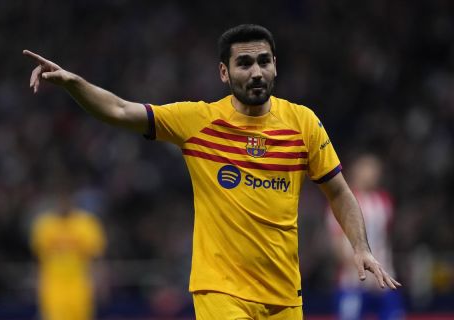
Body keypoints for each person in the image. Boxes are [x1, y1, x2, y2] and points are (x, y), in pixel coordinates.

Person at [24, 24, 400, 320]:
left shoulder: (303, 124)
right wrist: (75, 85)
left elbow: (338, 192)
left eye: (264, 61)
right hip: (220, 289)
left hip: (285, 293)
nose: (256, 71)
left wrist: (360, 247)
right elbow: (122, 111)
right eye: (244, 63)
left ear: (275, 66)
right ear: (224, 71)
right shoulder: (198, 121)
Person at [326, 154, 404, 320]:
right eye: (368, 168)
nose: (373, 173)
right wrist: (364, 274)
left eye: (376, 169)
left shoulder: (385, 201)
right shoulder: (341, 203)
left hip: (384, 280)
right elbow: (337, 244)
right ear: (356, 171)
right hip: (352, 282)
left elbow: (385, 239)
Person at [30, 191, 107, 320]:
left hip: (80, 285)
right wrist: (36, 283)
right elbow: (37, 259)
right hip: (53, 286)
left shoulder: (86, 224)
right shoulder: (45, 226)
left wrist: (100, 281)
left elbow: (97, 257)